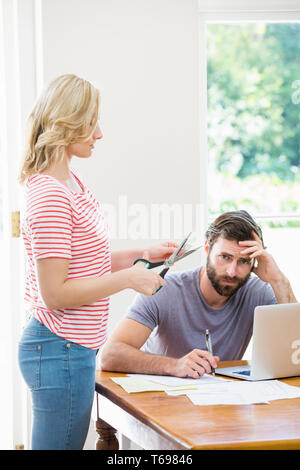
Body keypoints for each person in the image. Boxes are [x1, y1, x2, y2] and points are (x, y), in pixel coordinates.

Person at [17, 74, 177, 450]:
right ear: (67, 123)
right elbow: (55, 293)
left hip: (71, 350)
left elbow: (85, 262)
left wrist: (143, 255)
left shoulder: (72, 182)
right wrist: (128, 278)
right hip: (58, 349)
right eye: (92, 123)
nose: (99, 133)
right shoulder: (50, 196)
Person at [100, 210, 297, 379]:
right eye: (225, 257)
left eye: (244, 261)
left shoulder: (258, 291)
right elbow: (110, 355)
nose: (232, 271)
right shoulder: (166, 289)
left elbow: (295, 352)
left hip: (220, 404)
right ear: (207, 249)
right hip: (160, 403)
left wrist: (278, 280)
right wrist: (174, 365)